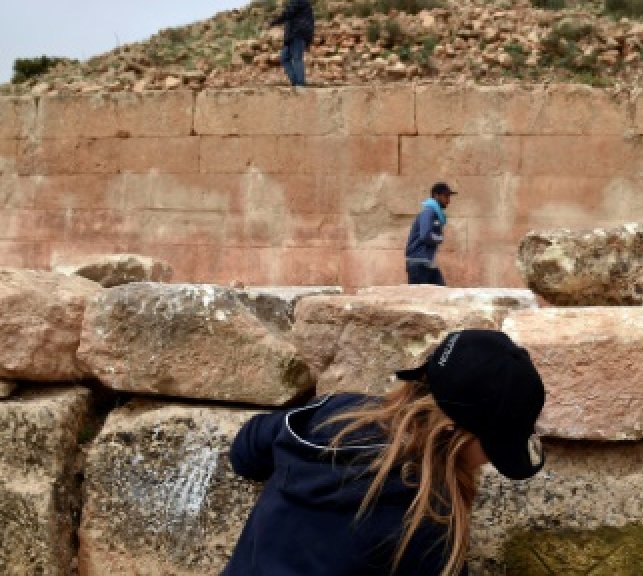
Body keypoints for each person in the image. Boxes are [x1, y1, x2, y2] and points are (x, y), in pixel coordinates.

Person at [222, 329, 546, 576]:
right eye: (495, 447)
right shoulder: (427, 522)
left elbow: (244, 453)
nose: (490, 461)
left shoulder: (332, 414)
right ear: (453, 432)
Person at [405, 181, 456, 286]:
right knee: (420, 299)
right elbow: (426, 235)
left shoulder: (435, 215)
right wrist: (440, 238)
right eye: (446, 196)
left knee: (441, 292)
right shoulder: (428, 213)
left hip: (427, 262)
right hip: (418, 264)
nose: (448, 201)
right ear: (436, 195)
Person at [270, 0, 314, 86]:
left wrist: (274, 22)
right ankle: (295, 82)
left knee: (297, 58)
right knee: (284, 58)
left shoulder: (297, 2)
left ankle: (300, 84)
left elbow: (288, 13)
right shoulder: (296, 3)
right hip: (292, 36)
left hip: (298, 34)